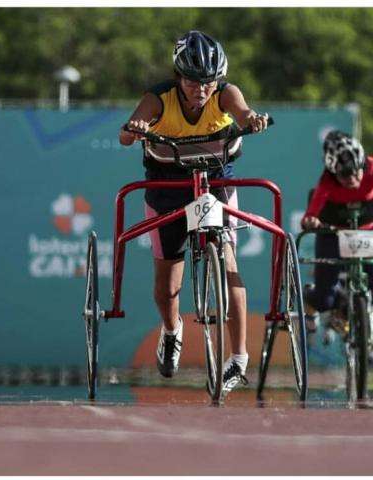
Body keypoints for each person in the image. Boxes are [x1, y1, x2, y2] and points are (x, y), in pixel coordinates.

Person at [119, 30, 269, 396]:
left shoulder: (225, 94)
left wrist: (251, 119)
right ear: (178, 76)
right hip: (168, 187)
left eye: (208, 81)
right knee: (167, 284)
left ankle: (238, 358)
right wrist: (136, 129)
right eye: (191, 80)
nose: (201, 89)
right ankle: (172, 332)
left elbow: (243, 111)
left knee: (230, 262)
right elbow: (126, 134)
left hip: (215, 181)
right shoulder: (158, 98)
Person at [301, 130, 373, 332]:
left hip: (368, 233)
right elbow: (312, 212)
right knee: (325, 299)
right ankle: (314, 297)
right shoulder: (327, 181)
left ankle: (360, 321)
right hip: (333, 235)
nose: (353, 179)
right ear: (333, 172)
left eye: (357, 171)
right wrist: (310, 220)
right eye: (345, 175)